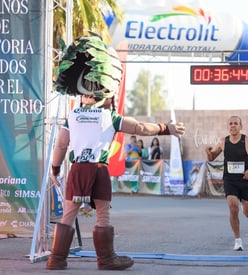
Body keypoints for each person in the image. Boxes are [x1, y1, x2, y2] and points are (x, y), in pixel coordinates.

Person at [46, 34, 185, 271]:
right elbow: (140, 128)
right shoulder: (110, 116)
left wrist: (56, 168)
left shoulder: (73, 116)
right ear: (106, 91)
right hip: (99, 169)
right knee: (102, 214)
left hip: (78, 168)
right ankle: (106, 260)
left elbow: (60, 146)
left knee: (69, 212)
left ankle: (56, 260)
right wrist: (166, 128)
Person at [205, 116, 248, 251]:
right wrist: (207, 152)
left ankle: (243, 204)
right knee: (232, 207)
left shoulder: (246, 140)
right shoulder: (223, 142)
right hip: (230, 181)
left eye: (236, 123)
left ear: (240, 127)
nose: (233, 126)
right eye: (230, 123)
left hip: (245, 181)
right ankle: (238, 240)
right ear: (227, 127)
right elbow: (212, 158)